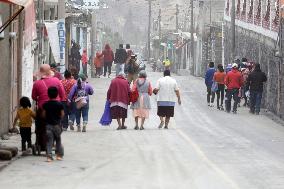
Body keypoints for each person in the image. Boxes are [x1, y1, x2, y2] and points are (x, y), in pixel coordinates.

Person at [42, 87, 64, 162]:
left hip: (48, 126)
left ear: (48, 94)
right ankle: (59, 156)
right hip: (57, 125)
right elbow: (62, 114)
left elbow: (43, 115)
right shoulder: (59, 104)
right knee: (58, 140)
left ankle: (49, 157)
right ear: (57, 94)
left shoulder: (46, 104)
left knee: (49, 141)